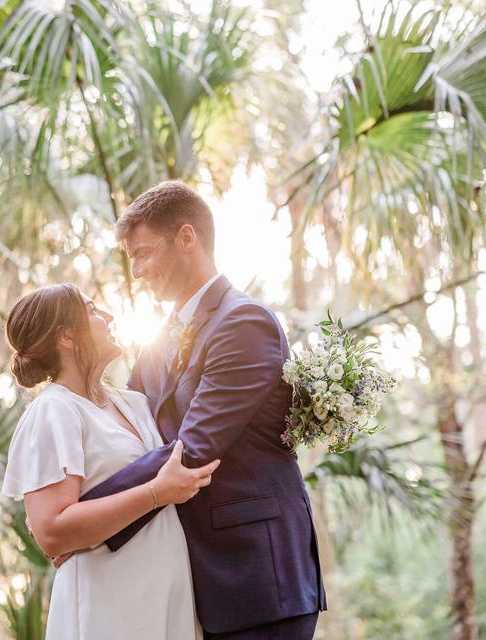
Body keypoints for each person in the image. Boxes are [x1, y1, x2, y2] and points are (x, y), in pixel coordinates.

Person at [80, 180, 326, 639]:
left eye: (143, 252)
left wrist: (86, 518)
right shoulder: (157, 343)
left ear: (187, 239)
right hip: (191, 580)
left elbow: (193, 448)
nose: (136, 270)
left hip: (256, 579)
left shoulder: (244, 323)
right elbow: (133, 431)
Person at [1, 283, 218, 639]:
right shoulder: (55, 410)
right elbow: (52, 531)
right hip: (109, 602)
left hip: (164, 594)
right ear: (67, 336)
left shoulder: (133, 402)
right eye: (93, 311)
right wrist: (155, 494)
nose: (109, 316)